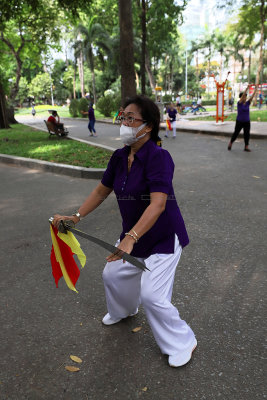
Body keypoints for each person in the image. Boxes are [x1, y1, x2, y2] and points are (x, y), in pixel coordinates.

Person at [53, 95, 197, 368]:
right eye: (123, 117)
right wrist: (76, 216)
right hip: (134, 236)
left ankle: (183, 341)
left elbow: (158, 203)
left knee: (153, 296)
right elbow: (101, 190)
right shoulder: (120, 157)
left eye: (131, 118)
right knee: (113, 274)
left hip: (163, 237)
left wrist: (130, 238)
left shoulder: (159, 157)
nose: (125, 123)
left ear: (148, 126)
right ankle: (124, 311)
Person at [228, 84, 258, 152]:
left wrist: (255, 89)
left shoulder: (248, 103)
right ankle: (231, 143)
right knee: (236, 133)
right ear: (241, 97)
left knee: (247, 134)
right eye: (244, 97)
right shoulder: (239, 103)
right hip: (239, 121)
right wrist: (247, 88)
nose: (245, 98)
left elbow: (252, 97)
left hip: (247, 122)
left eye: (246, 97)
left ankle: (246, 147)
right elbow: (243, 95)